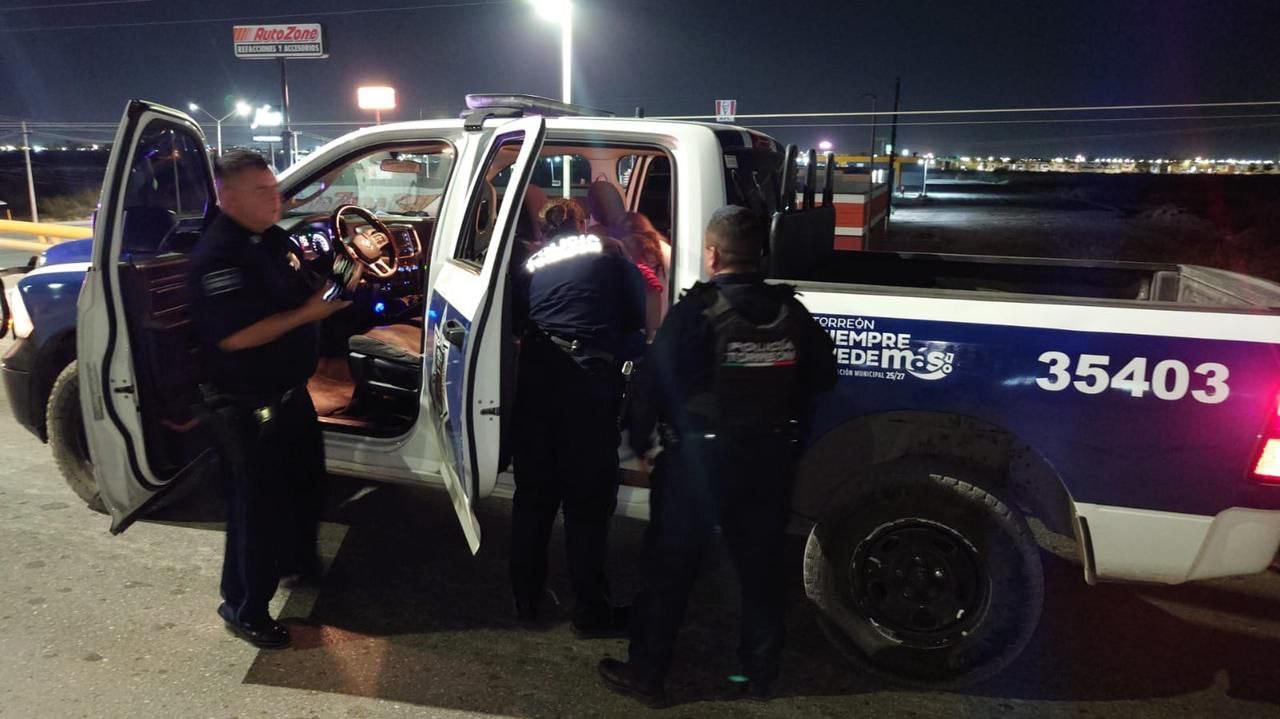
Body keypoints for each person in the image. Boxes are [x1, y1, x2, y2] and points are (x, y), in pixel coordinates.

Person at [598, 205, 837, 705]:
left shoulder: (696, 311)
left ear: (712, 254)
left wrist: (640, 444)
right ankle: (758, 675)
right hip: (768, 458)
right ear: (762, 255)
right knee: (762, 571)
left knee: (669, 571)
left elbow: (654, 382)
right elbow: (823, 379)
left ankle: (649, 675)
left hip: (699, 461)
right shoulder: (790, 311)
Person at [187, 150, 349, 649]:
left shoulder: (271, 239)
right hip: (246, 401)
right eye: (262, 192)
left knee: (305, 485)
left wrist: (339, 280)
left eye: (275, 188)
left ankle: (296, 564)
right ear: (227, 195)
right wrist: (310, 315)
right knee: (254, 509)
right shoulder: (219, 256)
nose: (275, 199)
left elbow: (300, 286)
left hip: (288, 392)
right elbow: (233, 338)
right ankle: (243, 607)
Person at [509, 197, 648, 638]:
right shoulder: (609, 255)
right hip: (588, 386)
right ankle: (590, 612)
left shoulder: (530, 263)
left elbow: (516, 322)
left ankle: (526, 602)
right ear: (584, 223)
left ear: (546, 231)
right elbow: (635, 322)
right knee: (586, 508)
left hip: (537, 383)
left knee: (533, 498)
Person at [616, 212, 672, 341]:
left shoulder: (636, 250)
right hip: (669, 324)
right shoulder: (666, 249)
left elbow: (651, 285)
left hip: (652, 328)